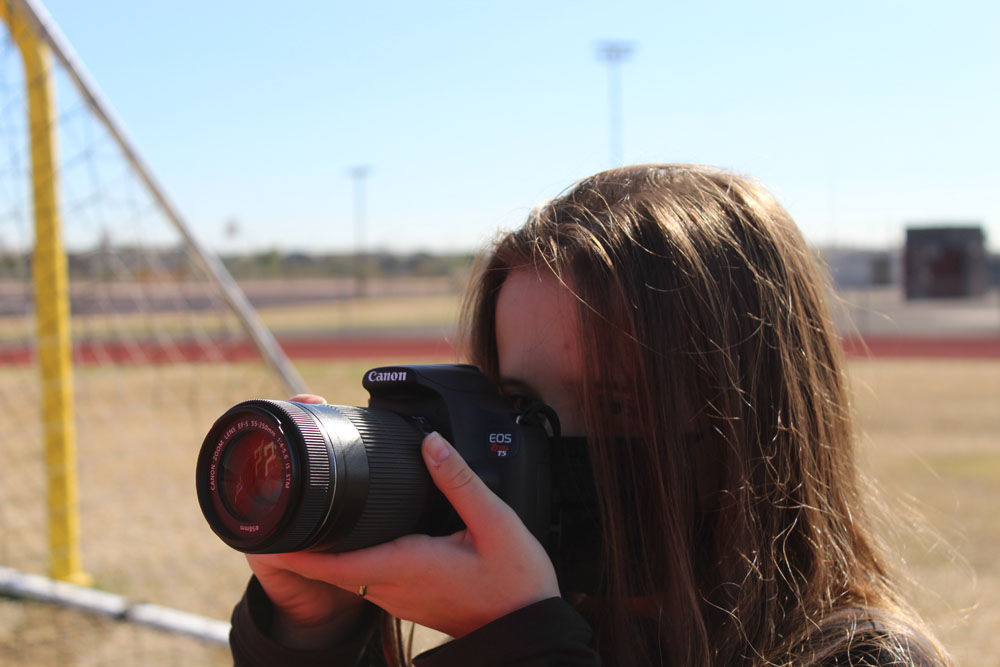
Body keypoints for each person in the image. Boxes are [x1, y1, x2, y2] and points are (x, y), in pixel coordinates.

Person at [228, 164, 952, 666]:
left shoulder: (861, 655)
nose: (550, 443)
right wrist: (312, 635)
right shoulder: (570, 614)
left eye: (615, 404)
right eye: (520, 406)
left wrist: (518, 642)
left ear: (748, 428)